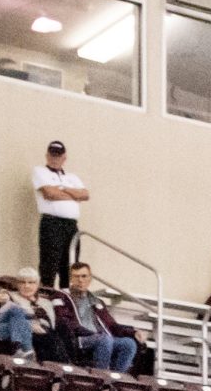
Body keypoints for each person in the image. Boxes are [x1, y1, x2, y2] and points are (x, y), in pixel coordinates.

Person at [53, 263, 139, 373]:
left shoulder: (96, 301)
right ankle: (101, 378)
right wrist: (89, 333)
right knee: (104, 339)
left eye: (84, 276)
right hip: (78, 339)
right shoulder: (61, 296)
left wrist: (133, 332)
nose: (80, 280)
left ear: (90, 278)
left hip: (101, 338)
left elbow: (111, 325)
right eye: (76, 276)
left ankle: (116, 380)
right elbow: (63, 320)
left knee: (129, 343)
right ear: (71, 278)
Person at [34, 141, 88, 288]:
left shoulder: (72, 177)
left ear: (64, 157)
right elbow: (50, 193)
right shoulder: (40, 171)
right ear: (47, 155)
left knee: (70, 264)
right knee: (49, 263)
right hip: (52, 223)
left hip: (70, 225)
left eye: (58, 156)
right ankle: (48, 296)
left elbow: (85, 195)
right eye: (52, 155)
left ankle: (66, 299)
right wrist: (73, 194)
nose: (54, 159)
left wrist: (63, 189)